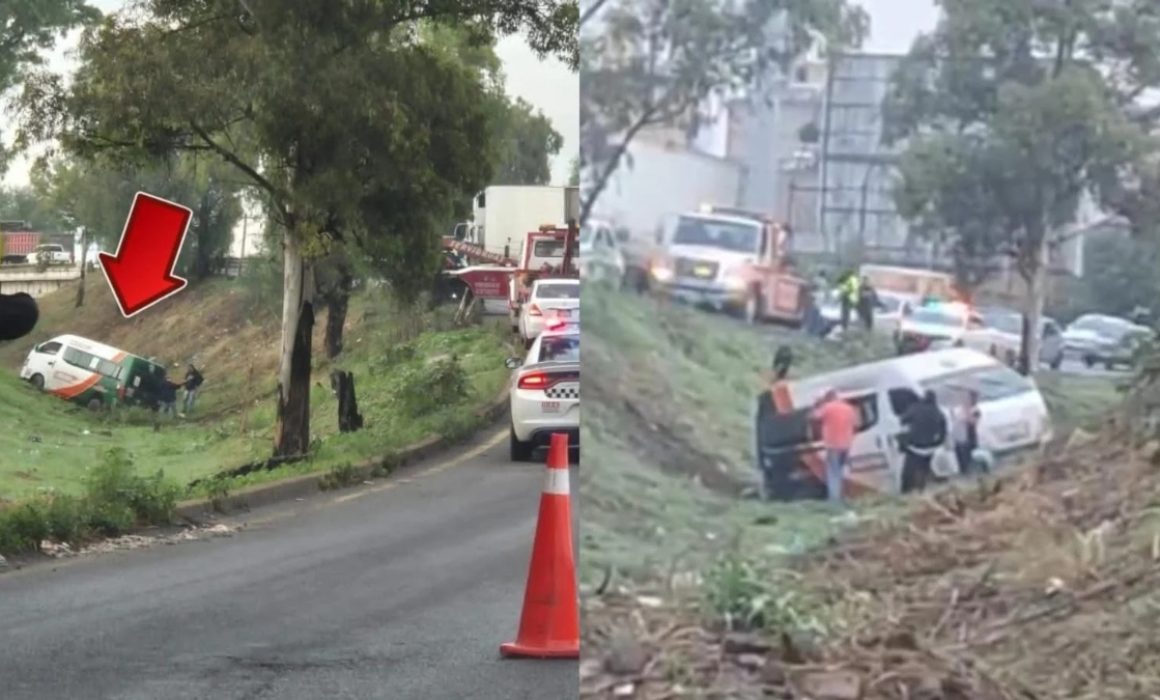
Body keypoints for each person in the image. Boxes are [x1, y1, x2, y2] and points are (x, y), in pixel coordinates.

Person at [812, 388, 859, 504]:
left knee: (833, 473)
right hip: (846, 444)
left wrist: (817, 404)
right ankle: (845, 496)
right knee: (842, 471)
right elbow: (857, 423)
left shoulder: (827, 408)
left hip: (833, 445)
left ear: (828, 398)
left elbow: (814, 417)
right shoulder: (849, 408)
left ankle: (834, 500)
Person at [899, 390, 948, 493]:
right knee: (923, 470)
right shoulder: (938, 412)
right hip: (929, 448)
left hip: (914, 446)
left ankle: (907, 492)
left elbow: (902, 420)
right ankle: (920, 490)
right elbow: (943, 433)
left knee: (908, 472)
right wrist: (936, 443)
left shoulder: (915, 408)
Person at [951, 390, 982, 475]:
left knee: (969, 454)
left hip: (969, 435)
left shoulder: (975, 410)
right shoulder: (959, 409)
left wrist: (966, 415)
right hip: (960, 435)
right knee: (960, 454)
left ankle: (971, 471)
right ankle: (964, 470)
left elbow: (973, 422)